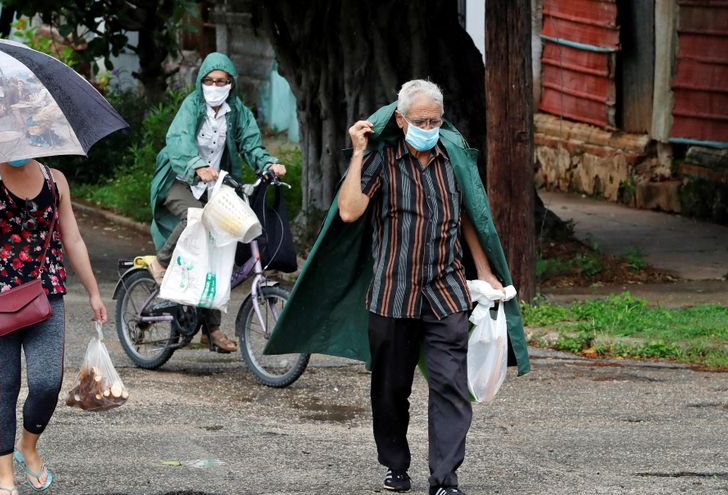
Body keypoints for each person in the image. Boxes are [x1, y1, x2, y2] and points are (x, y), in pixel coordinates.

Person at [262, 80, 530, 495]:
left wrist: (483, 269)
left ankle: (444, 480)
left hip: (446, 293)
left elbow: (468, 216)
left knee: (451, 388)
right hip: (393, 294)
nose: (429, 126)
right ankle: (396, 464)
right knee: (391, 390)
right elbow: (350, 211)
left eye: (435, 120)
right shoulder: (382, 160)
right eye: (421, 120)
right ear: (401, 121)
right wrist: (357, 153)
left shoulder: (452, 159)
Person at [0, 158, 107, 495]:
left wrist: (94, 293)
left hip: (45, 294)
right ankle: (4, 480)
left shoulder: (55, 180)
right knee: (4, 387)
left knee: (48, 382)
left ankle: (28, 446)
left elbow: (73, 240)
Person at [148, 52, 285, 353]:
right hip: (178, 180)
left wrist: (268, 165)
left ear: (231, 84)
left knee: (220, 247)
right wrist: (196, 165)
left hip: (216, 184)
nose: (214, 86)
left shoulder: (237, 112)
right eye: (209, 80)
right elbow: (178, 140)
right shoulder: (191, 106)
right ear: (201, 82)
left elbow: (252, 144)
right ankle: (160, 262)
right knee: (195, 215)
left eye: (221, 81)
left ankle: (211, 331)